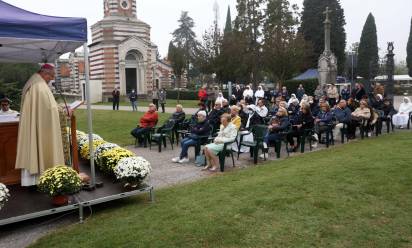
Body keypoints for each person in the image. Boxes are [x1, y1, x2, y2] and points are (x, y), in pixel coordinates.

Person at [15, 64, 65, 186]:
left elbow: (46, 107)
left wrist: (58, 108)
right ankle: (38, 181)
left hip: (35, 125)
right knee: (38, 147)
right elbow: (48, 109)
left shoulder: (34, 82)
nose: (51, 80)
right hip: (40, 127)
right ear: (45, 73)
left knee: (34, 146)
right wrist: (62, 111)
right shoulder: (39, 86)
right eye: (51, 77)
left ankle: (33, 181)